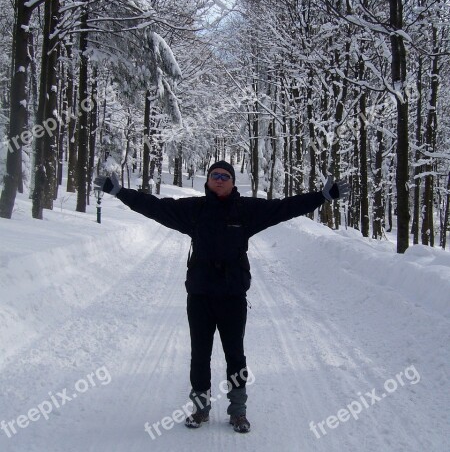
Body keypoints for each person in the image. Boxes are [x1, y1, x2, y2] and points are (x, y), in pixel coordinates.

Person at [94, 161, 349, 434]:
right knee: (200, 355)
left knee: (235, 356)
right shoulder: (195, 210)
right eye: (214, 175)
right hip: (200, 296)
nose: (219, 179)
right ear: (208, 181)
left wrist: (322, 196)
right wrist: (120, 192)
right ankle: (200, 409)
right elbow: (155, 206)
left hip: (232, 297)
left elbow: (284, 208)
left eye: (224, 176)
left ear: (232, 182)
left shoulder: (247, 210)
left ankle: (238, 412)